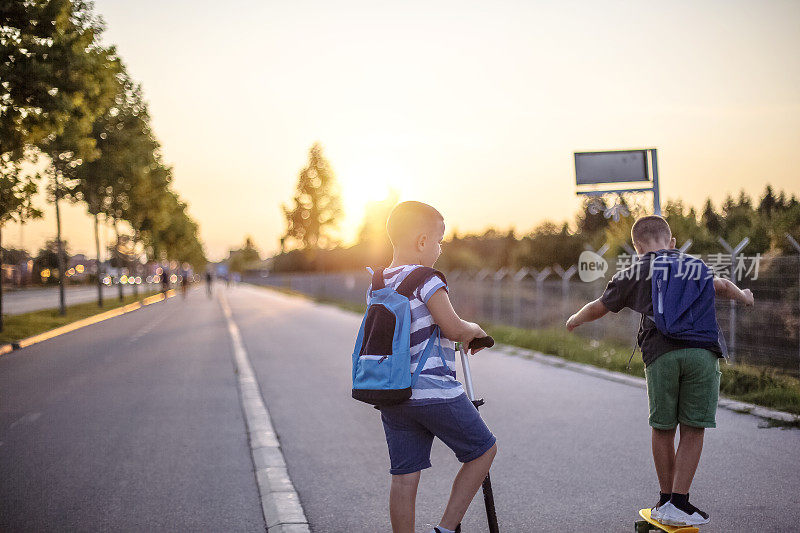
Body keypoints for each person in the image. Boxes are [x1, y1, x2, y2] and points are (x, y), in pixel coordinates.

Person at [565, 215, 754, 527]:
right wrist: (744, 296)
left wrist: (575, 319)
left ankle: (666, 499)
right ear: (673, 242)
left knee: (663, 427)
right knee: (693, 428)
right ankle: (680, 501)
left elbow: (601, 305)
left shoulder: (636, 269)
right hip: (702, 353)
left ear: (638, 247)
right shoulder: (693, 265)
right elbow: (722, 286)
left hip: (661, 355)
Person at [371, 201, 497, 533]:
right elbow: (455, 328)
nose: (440, 249)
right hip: (433, 390)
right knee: (483, 450)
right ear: (423, 241)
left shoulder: (379, 283)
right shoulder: (426, 279)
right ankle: (444, 529)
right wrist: (476, 330)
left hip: (393, 392)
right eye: (439, 241)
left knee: (404, 476)